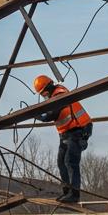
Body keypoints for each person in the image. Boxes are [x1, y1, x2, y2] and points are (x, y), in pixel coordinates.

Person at [33, 74, 93, 204]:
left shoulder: (60, 96)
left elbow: (50, 115)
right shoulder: (55, 97)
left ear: (47, 89)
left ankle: (74, 195)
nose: (44, 96)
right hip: (67, 134)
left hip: (79, 131)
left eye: (43, 93)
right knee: (61, 162)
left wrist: (35, 114)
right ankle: (67, 192)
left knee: (70, 162)